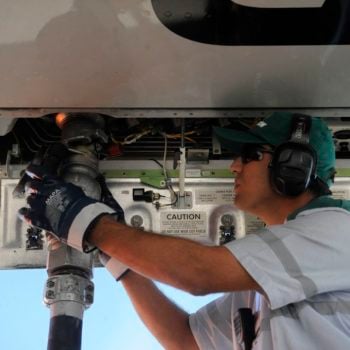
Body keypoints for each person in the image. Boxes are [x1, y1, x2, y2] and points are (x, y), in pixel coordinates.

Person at [19, 111, 350, 350]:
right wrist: (113, 251)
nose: (234, 165)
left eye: (249, 155)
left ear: (294, 165)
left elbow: (199, 273)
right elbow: (185, 339)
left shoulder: (338, 231)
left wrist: (88, 222)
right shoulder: (263, 285)